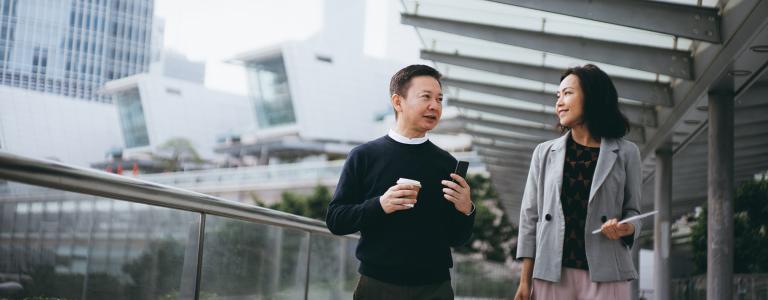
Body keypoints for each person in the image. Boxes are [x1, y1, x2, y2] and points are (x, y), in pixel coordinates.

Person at [326, 64, 476, 300]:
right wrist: (381, 205)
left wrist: (466, 209)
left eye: (439, 99)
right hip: (376, 285)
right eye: (426, 97)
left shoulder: (447, 164)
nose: (434, 106)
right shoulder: (363, 156)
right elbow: (336, 220)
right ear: (398, 102)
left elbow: (457, 238)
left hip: (435, 288)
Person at [514, 64, 643, 300]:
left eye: (568, 93)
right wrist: (525, 281)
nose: (559, 102)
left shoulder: (626, 153)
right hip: (551, 273)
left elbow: (633, 211)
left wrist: (626, 227)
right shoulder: (544, 153)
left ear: (592, 96)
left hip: (607, 273)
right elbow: (530, 219)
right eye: (558, 96)